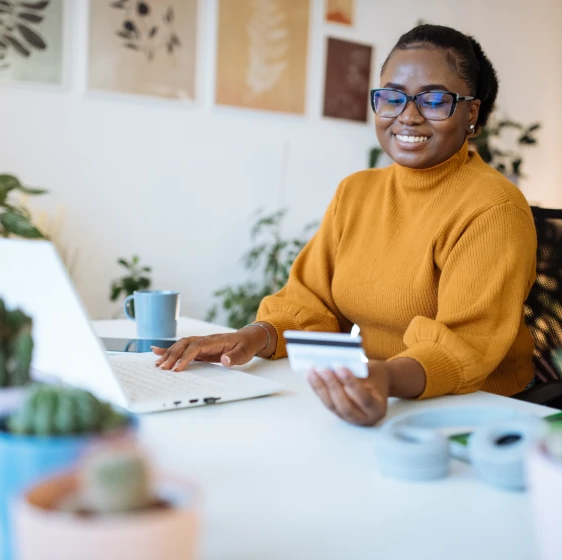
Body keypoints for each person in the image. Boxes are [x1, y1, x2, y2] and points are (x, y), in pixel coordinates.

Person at [153, 24, 537, 427]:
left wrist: (383, 378)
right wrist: (249, 338)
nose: (408, 116)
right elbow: (310, 302)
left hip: (476, 410)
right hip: (375, 388)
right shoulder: (356, 191)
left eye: (434, 100)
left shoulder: (492, 208)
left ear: (471, 113)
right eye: (392, 97)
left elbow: (464, 346)